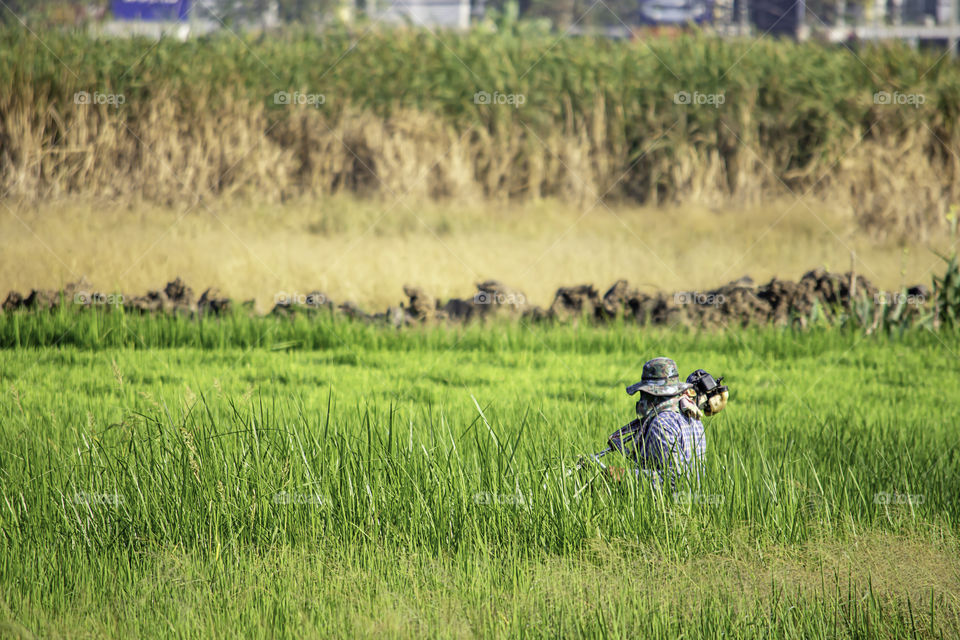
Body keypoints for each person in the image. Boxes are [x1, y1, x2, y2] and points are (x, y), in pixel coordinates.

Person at [608, 357, 706, 488]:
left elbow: (675, 480)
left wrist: (625, 475)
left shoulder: (661, 424)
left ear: (652, 394)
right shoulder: (693, 416)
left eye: (643, 393)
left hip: (670, 506)